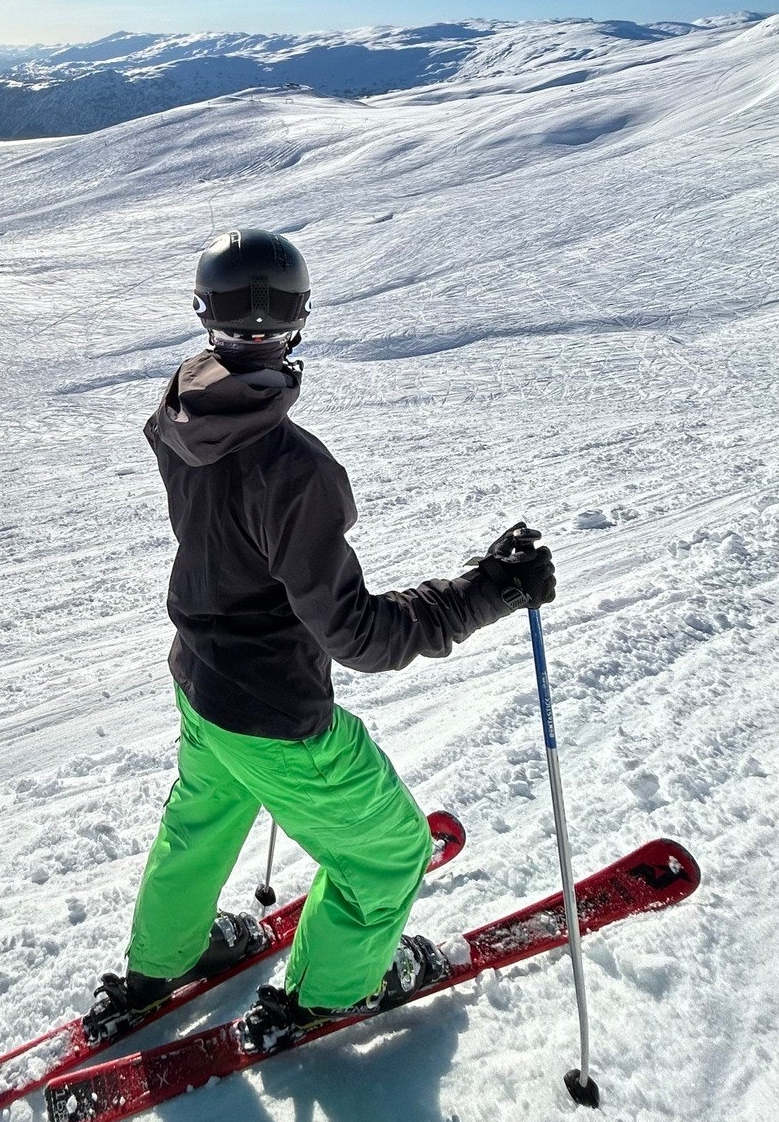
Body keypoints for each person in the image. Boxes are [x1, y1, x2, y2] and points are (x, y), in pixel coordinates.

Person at [89, 227, 556, 1051]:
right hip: (276, 715)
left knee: (201, 820)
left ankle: (164, 958)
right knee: (390, 856)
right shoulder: (292, 468)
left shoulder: (180, 409)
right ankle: (328, 992)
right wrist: (489, 591)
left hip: (199, 679)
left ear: (206, 315)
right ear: (298, 321)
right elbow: (361, 638)